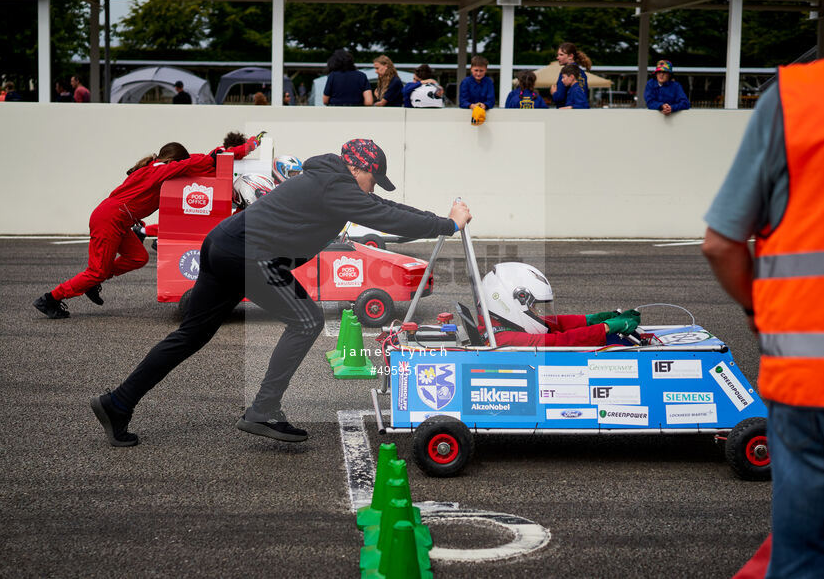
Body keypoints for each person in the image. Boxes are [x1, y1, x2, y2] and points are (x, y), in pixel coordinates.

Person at [89, 138, 472, 447]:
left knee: (191, 335)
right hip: (247, 254)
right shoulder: (335, 184)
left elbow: (380, 205)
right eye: (374, 179)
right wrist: (447, 224)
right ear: (360, 168)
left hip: (224, 243)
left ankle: (118, 402)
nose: (373, 188)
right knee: (307, 321)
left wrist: (437, 219)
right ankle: (263, 410)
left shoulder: (327, 180)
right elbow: (385, 214)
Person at [701, 0, 824, 575]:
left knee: (804, 558)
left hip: (812, 387)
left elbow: (721, 244)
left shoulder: (795, 99)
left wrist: (757, 312)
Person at [33, 133, 262, 320]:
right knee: (96, 270)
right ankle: (50, 298)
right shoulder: (161, 170)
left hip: (117, 218)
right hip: (109, 220)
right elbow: (209, 159)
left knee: (138, 258)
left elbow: (128, 198)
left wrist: (136, 222)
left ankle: (95, 281)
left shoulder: (150, 169)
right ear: (174, 161)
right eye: (181, 164)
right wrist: (248, 146)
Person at [476, 262, 639, 346]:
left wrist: (593, 319)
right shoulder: (505, 339)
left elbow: (551, 324)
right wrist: (606, 328)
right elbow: (559, 341)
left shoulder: (499, 324)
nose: (535, 311)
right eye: (533, 306)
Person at [551, 42, 590, 108]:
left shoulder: (566, 72)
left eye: (561, 55)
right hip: (581, 112)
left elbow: (560, 97)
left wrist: (554, 93)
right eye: (558, 55)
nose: (558, 57)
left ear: (571, 56)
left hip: (567, 113)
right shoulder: (582, 73)